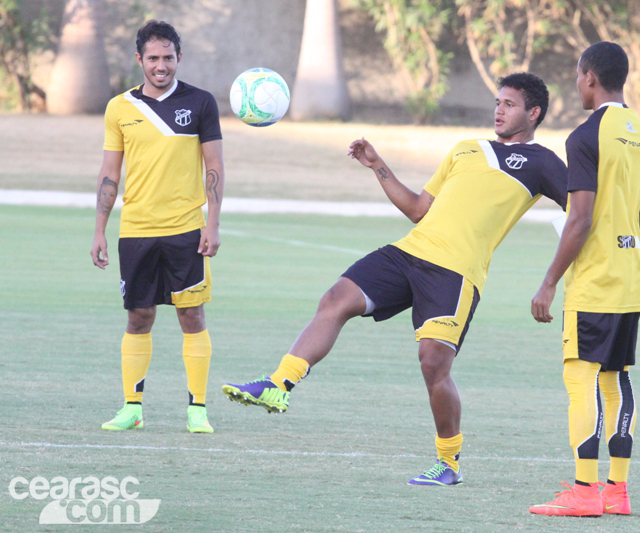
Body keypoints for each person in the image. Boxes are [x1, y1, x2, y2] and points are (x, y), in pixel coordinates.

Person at [223, 72, 568, 485]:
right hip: (409, 252)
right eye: (497, 102)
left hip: (456, 273)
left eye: (509, 104)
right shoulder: (465, 150)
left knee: (433, 364)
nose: (498, 110)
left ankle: (449, 464)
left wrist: (555, 277)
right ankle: (279, 382)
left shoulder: (543, 163)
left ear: (533, 113)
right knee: (336, 298)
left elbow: (583, 210)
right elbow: (420, 209)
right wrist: (377, 165)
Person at [527, 42, 640, 516]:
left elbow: (578, 219)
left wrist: (548, 282)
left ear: (589, 78)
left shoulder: (586, 136)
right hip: (632, 274)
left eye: (578, 76)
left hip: (597, 279)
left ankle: (584, 491)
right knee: (615, 378)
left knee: (580, 377)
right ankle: (616, 492)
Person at [91, 20, 225, 434]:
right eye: (153, 58)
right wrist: (99, 229)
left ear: (179, 58)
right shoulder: (119, 108)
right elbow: (110, 174)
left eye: (168, 57)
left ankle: (197, 410)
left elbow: (215, 167)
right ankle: (132, 408)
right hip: (136, 230)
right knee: (139, 317)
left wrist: (213, 224)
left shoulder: (201, 103)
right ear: (140, 60)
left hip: (186, 228)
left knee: (191, 315)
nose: (161, 65)